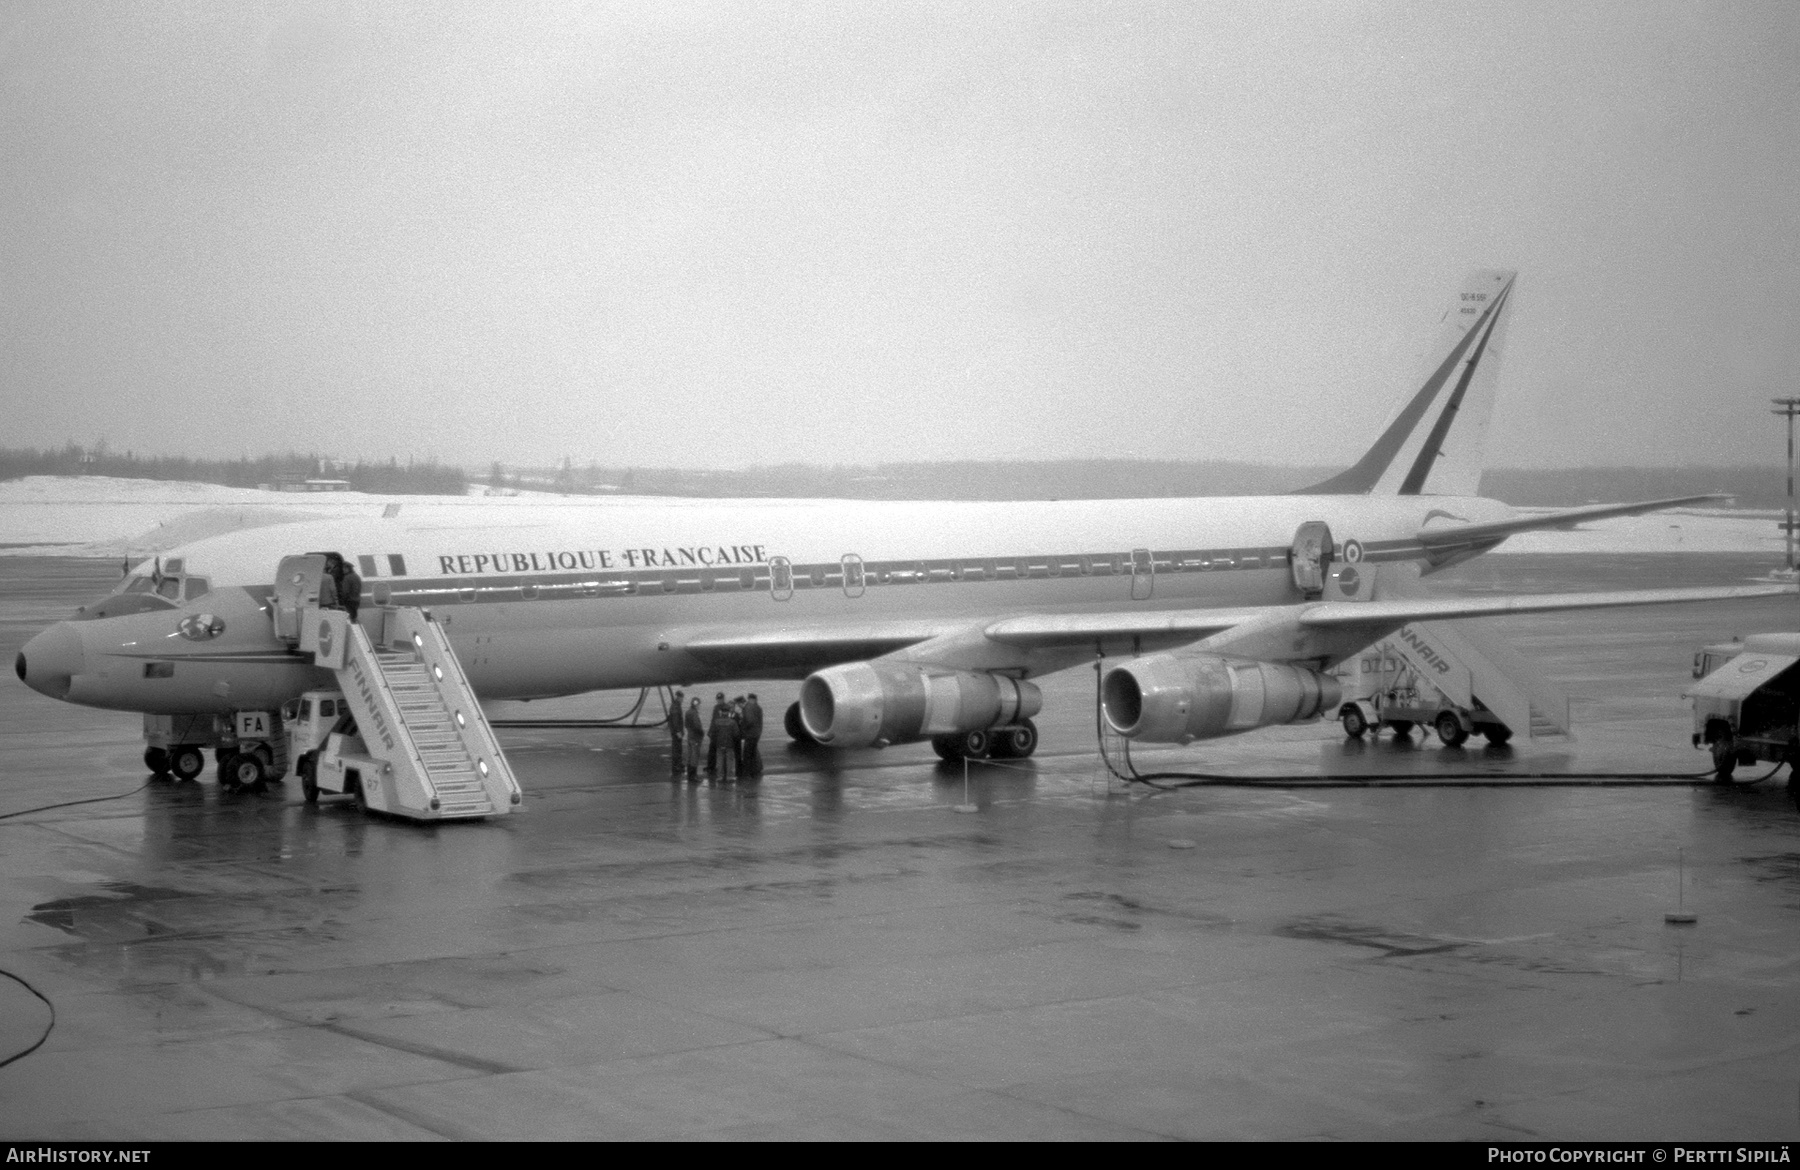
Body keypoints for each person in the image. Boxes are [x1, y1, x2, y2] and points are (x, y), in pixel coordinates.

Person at [740, 693, 764, 780]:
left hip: (750, 734)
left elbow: (749, 721)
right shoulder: (758, 707)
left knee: (747, 754)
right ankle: (754, 771)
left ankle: (747, 774)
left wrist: (743, 728)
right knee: (753, 753)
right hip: (756, 733)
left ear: (750, 699)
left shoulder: (748, 707)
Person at [707, 692, 731, 777]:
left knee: (722, 750)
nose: (719, 700)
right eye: (718, 699)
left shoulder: (727, 707)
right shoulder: (716, 708)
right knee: (712, 749)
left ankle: (722, 767)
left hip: (721, 732)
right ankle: (711, 766)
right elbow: (713, 720)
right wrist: (710, 730)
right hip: (715, 731)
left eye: (720, 699)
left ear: (723, 699)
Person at [683, 698, 705, 781]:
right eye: (699, 704)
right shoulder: (694, 713)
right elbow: (697, 725)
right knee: (695, 756)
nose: (699, 706)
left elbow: (686, 724)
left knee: (690, 755)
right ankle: (693, 776)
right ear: (696, 704)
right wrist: (701, 732)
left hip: (690, 736)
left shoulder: (688, 712)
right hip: (695, 737)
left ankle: (690, 775)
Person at [667, 690, 686, 777]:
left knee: (678, 748)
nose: (682, 699)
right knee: (676, 749)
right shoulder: (675, 706)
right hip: (676, 732)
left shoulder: (676, 705)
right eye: (682, 698)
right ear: (679, 697)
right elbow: (675, 721)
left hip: (677, 731)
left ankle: (678, 764)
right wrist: (678, 731)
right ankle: (676, 766)